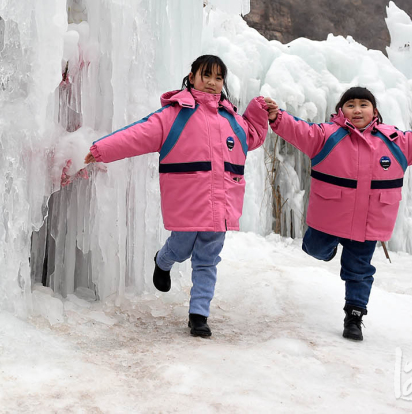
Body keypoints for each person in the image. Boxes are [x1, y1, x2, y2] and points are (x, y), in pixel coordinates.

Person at [267, 86, 412, 341]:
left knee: (359, 269)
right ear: (341, 111)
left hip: (367, 223)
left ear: (375, 111)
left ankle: (354, 316)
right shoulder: (326, 136)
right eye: (350, 105)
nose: (357, 109)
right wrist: (277, 117)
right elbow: (299, 130)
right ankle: (328, 251)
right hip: (329, 219)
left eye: (364, 104)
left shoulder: (396, 141)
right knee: (315, 249)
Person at [84, 55, 276, 337]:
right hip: (188, 201)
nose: (212, 83)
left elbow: (254, 136)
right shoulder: (175, 115)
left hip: (221, 204)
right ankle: (163, 260)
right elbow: (136, 134)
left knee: (207, 259)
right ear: (192, 76)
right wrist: (101, 149)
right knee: (183, 247)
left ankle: (199, 315)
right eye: (206, 75)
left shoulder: (231, 118)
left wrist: (259, 110)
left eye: (218, 78)